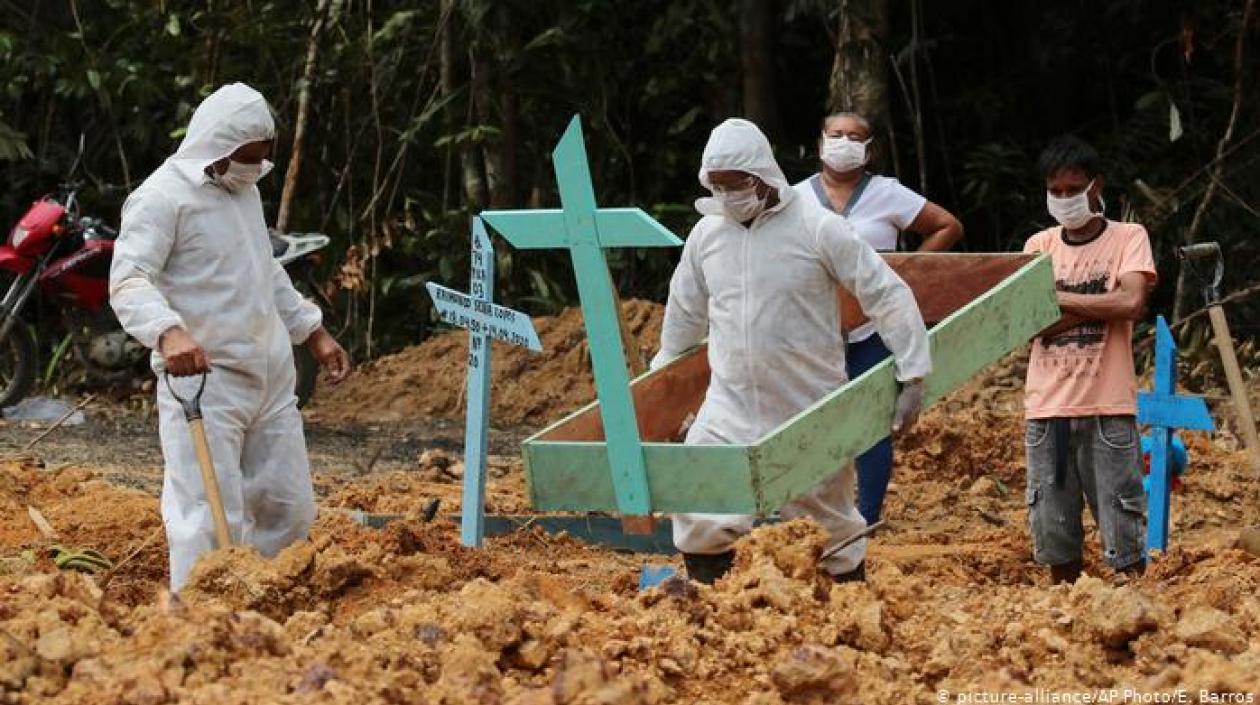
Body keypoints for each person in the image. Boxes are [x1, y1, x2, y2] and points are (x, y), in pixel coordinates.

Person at [652, 118, 932, 584]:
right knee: (701, 501)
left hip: (809, 403)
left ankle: (846, 610)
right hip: (729, 405)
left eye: (735, 185)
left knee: (828, 525)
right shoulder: (707, 236)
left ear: (762, 177)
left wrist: (913, 371)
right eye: (716, 186)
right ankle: (711, 610)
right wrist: (663, 388)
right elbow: (683, 314)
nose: (727, 196)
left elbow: (884, 292)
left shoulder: (817, 226)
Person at [110, 83, 352, 591]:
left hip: (269, 383)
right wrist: (168, 333)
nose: (253, 169)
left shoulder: (245, 192)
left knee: (288, 508)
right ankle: (201, 620)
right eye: (245, 159)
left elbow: (265, 270)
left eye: (261, 160)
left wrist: (314, 333)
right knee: (204, 513)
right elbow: (129, 280)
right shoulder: (160, 199)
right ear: (215, 148)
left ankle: (270, 608)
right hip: (204, 386)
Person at [794, 112, 963, 525]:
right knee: (811, 423)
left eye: (855, 137)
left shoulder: (887, 194)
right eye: (836, 135)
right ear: (820, 144)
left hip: (874, 328)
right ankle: (810, 515)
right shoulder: (793, 197)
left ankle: (867, 517)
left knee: (872, 421)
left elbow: (948, 226)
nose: (844, 142)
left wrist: (906, 273)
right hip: (814, 330)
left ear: (869, 151)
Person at [1022, 135, 1155, 584]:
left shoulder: (1128, 237)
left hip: (1108, 405)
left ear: (1096, 186)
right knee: (1053, 528)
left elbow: (1132, 303)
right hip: (1048, 407)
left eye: (1073, 190)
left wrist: (1056, 299)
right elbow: (1027, 325)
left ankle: (1133, 612)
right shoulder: (1038, 244)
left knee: (1123, 525)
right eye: (1054, 191)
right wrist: (1103, 298)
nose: (1063, 199)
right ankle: (1068, 616)